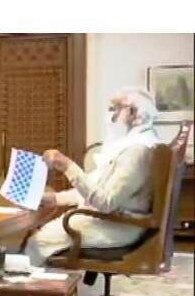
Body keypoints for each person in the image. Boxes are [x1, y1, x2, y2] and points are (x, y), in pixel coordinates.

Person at [24, 87, 161, 266]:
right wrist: (56, 199)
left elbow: (105, 201)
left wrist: (67, 165)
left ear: (132, 112)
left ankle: (34, 282)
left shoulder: (137, 151)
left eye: (115, 109)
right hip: (113, 221)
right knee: (37, 233)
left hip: (116, 227)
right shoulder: (135, 144)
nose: (110, 116)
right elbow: (96, 186)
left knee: (37, 242)